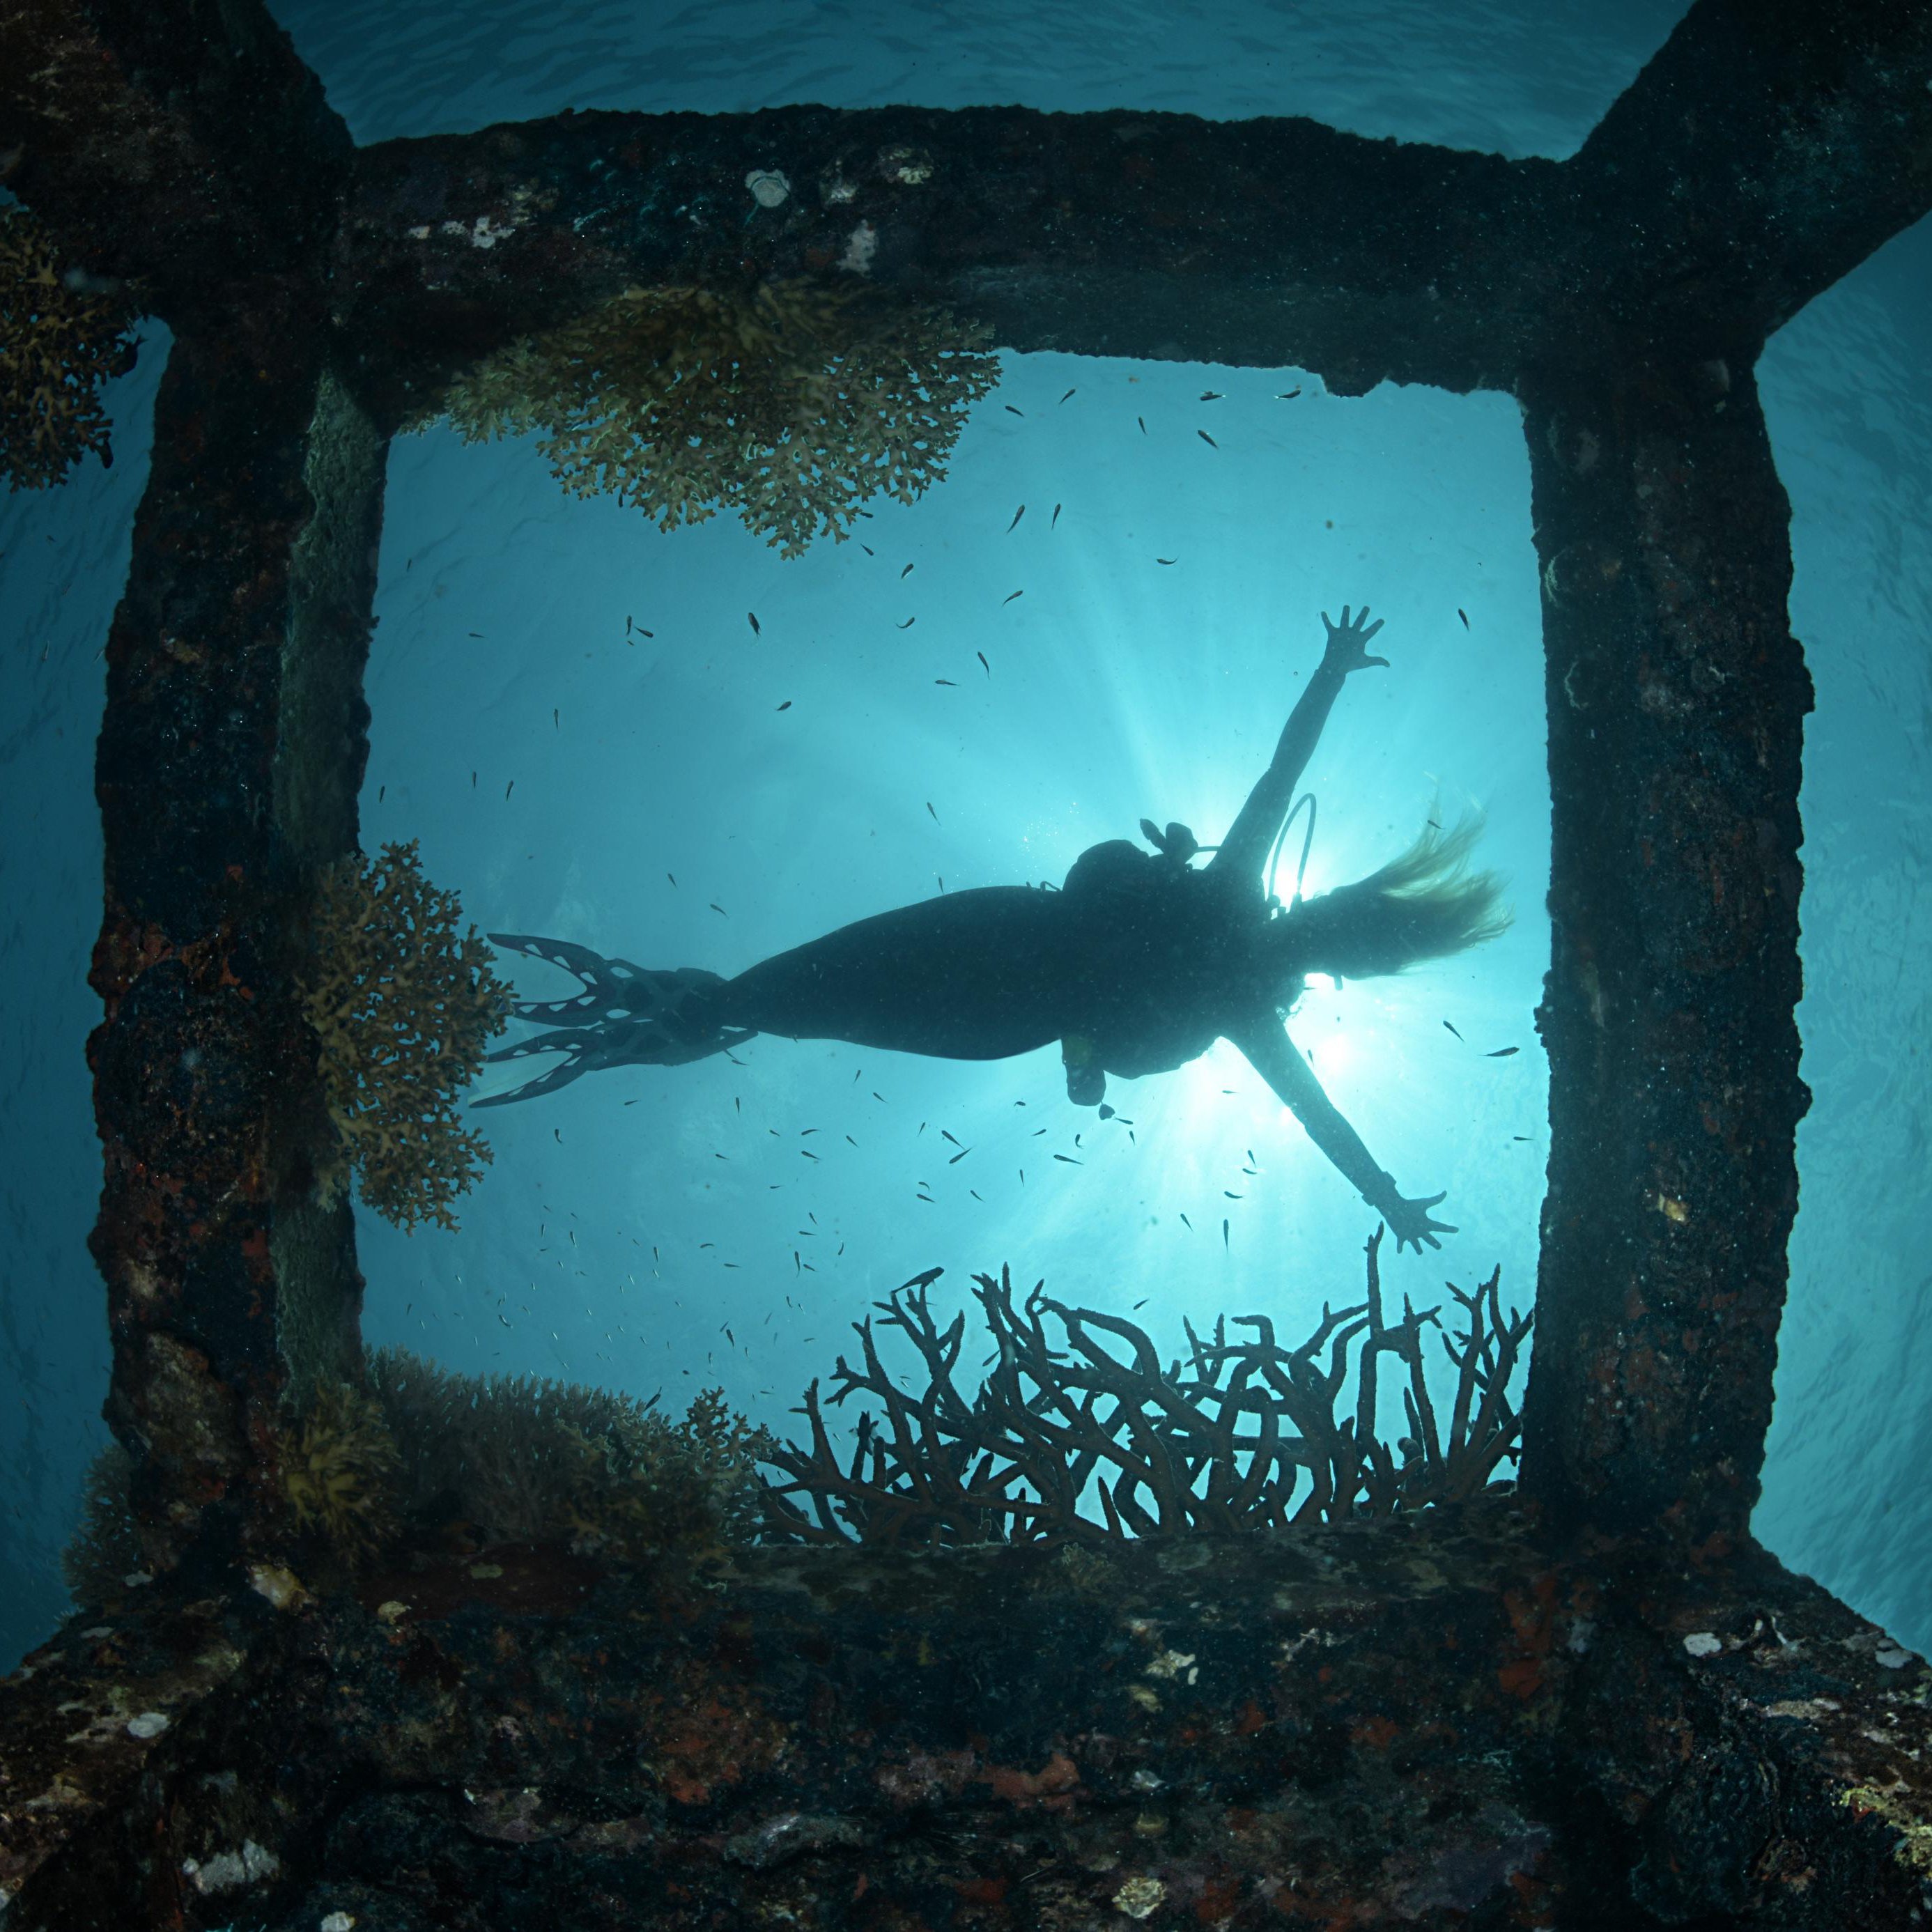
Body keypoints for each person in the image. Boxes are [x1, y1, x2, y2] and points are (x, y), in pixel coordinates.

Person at [479, 606, 1508, 1253]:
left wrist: (1329, 668)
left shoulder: (1235, 912)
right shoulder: (1243, 970)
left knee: (791, 996)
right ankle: (668, 1014)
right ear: (1340, 950)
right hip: (1005, 1000)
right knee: (789, 1001)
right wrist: (1383, 1198)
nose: (1325, 937)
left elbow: (1278, 784)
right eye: (1347, 939)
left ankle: (665, 1011)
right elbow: (1316, 1109)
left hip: (1002, 952)